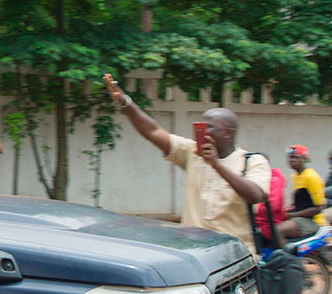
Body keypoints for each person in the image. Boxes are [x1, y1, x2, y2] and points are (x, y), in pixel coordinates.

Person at [103, 74, 270, 253]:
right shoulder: (192, 153)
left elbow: (255, 195)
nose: (203, 131)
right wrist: (126, 103)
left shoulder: (252, 161)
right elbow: (153, 131)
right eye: (201, 126)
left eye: (209, 127)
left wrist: (216, 165)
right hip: (195, 252)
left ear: (228, 133)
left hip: (235, 255)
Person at [278, 145, 325, 240]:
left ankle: (284, 254)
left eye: (295, 157)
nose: (291, 160)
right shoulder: (295, 175)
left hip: (313, 221)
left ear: (304, 159)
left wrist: (293, 215)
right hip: (300, 217)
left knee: (278, 230)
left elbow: (319, 208)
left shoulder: (311, 177)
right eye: (290, 158)